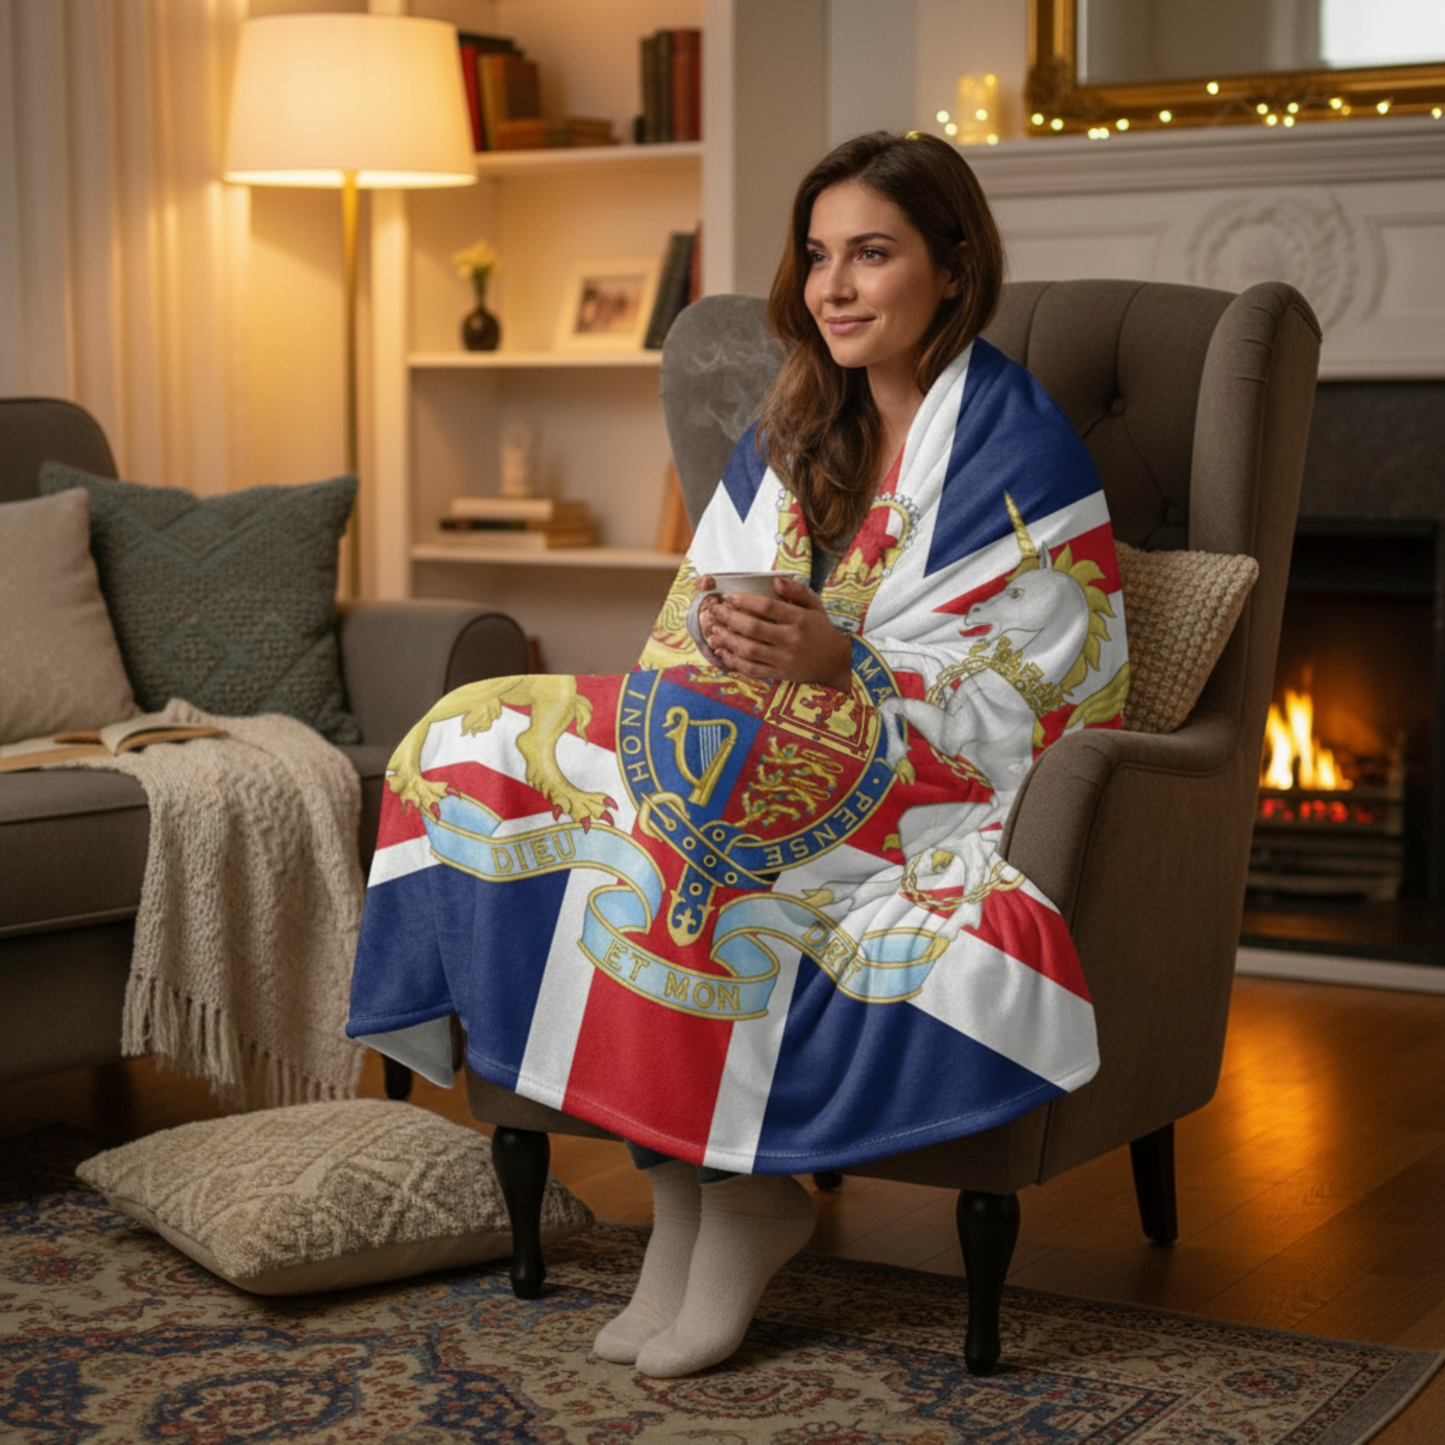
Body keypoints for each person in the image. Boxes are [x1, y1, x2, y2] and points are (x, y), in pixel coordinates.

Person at [347, 131, 1130, 1379]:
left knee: (688, 787)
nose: (833, 287)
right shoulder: (797, 421)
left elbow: (1041, 691)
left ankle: (737, 1194)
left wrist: (843, 663)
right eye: (816, 256)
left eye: (870, 253)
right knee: (473, 732)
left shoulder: (1017, 445)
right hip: (756, 730)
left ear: (952, 265)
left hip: (925, 776)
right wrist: (733, 646)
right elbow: (684, 633)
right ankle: (684, 1188)